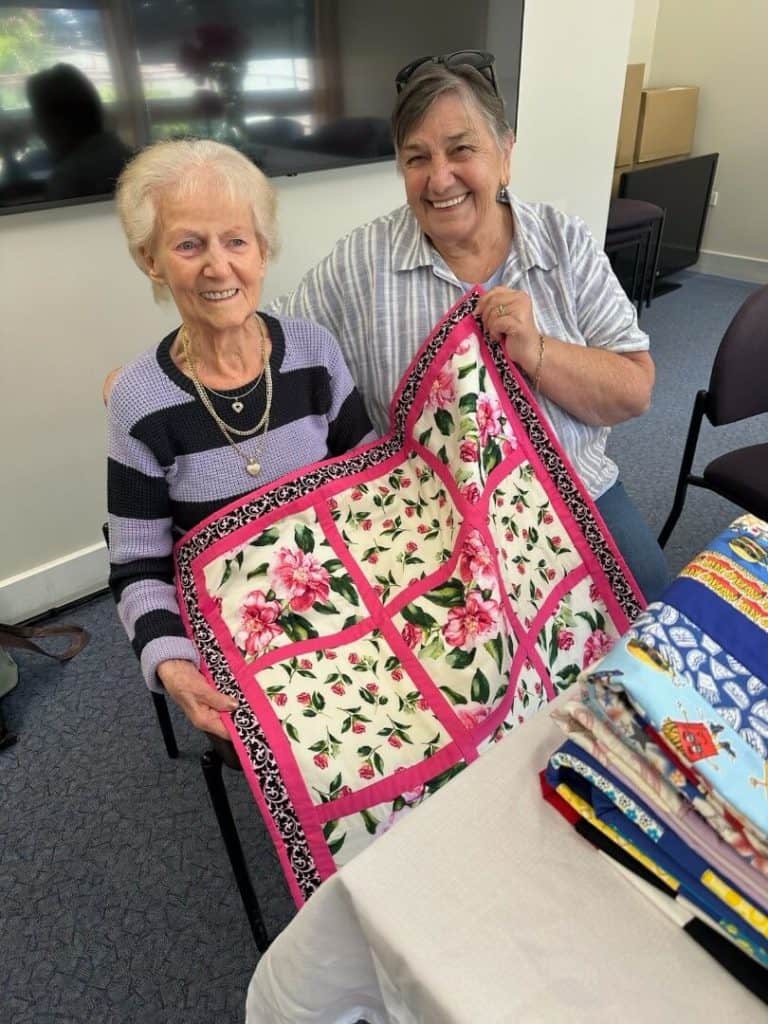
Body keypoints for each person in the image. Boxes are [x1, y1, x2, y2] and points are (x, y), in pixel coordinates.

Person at [268, 52, 669, 602]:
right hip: (427, 512)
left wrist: (538, 350)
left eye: (461, 150)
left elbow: (634, 390)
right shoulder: (363, 261)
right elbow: (276, 343)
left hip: (570, 490)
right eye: (417, 158)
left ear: (505, 155)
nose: (439, 179)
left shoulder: (564, 244)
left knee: (647, 598)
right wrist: (190, 343)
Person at [107, 139, 374, 738]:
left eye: (236, 240)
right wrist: (174, 667)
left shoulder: (314, 353)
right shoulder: (139, 400)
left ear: (262, 250)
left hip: (338, 593)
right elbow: (137, 564)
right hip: (229, 624)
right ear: (152, 260)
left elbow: (366, 490)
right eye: (188, 245)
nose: (218, 266)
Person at [26, 63, 133, 201]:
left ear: (55, 121)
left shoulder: (68, 178)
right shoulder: (121, 152)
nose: (36, 127)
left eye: (37, 116)